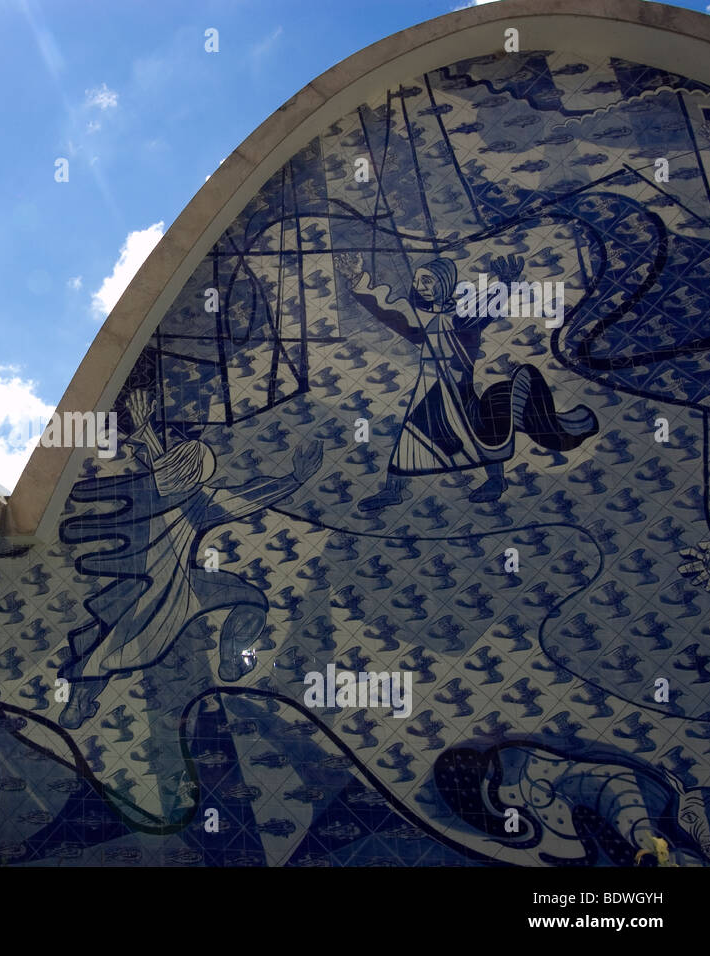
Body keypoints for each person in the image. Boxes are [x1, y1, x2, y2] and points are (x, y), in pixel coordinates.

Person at [58, 388, 324, 729]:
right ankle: (228, 657)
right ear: (198, 477)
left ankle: (80, 702)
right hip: (167, 591)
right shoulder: (200, 502)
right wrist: (295, 478)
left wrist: (146, 432)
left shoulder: (157, 487)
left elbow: (165, 469)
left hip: (175, 580)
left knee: (113, 641)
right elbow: (248, 497)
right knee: (119, 644)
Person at [332, 252, 598, 512]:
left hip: (458, 388)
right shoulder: (416, 316)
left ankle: (495, 480)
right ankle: (393, 490)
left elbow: (487, 307)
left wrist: (506, 284)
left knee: (480, 433)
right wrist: (356, 278)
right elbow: (385, 309)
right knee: (413, 435)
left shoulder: (463, 314)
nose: (419, 287)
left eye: (428, 281)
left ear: (445, 284)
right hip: (431, 387)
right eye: (417, 281)